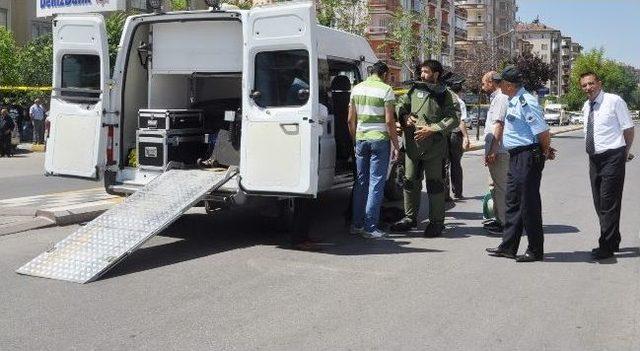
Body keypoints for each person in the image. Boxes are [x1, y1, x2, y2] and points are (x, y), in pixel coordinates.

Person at [486, 65, 555, 262]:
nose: (498, 86)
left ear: (508, 85)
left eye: (500, 83)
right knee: (512, 202)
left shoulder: (526, 101)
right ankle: (508, 246)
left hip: (527, 156)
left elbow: (542, 132)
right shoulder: (513, 100)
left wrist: (543, 152)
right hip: (516, 156)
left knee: (529, 204)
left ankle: (535, 250)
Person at [390, 60, 460, 237]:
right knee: (409, 181)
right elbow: (400, 106)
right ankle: (409, 218)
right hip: (413, 147)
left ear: (436, 74)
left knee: (435, 185)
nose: (422, 75)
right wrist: (404, 117)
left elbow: (454, 118)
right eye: (421, 71)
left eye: (426, 72)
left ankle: (436, 222)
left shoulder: (447, 94)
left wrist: (433, 129)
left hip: (434, 149)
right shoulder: (414, 90)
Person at [579, 72, 635, 260]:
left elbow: (628, 129)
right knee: (599, 202)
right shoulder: (586, 106)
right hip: (594, 159)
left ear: (599, 83)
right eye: (584, 85)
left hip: (613, 157)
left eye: (591, 83)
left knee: (608, 203)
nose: (588, 88)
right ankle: (614, 239)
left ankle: (606, 245)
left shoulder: (614, 101)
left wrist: (624, 153)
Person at [348, 61, 400, 239]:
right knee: (376, 183)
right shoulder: (386, 90)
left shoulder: (356, 89)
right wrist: (396, 144)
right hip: (379, 140)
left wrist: (355, 140)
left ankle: (356, 224)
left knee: (361, 182)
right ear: (384, 74)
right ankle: (370, 227)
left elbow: (350, 120)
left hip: (361, 139)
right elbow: (389, 121)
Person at [481, 71, 510, 234]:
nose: (482, 86)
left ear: (492, 82)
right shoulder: (497, 98)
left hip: (499, 151)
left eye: (484, 82)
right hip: (496, 150)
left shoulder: (501, 98)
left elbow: (499, 125)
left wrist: (493, 150)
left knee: (501, 187)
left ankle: (505, 223)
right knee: (496, 186)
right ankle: (500, 219)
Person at [444, 83, 471, 200]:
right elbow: (461, 121)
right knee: (456, 164)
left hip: (444, 134)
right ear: (460, 91)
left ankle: (445, 193)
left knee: (444, 164)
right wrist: (466, 137)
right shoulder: (459, 102)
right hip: (455, 134)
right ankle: (457, 192)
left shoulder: (444, 99)